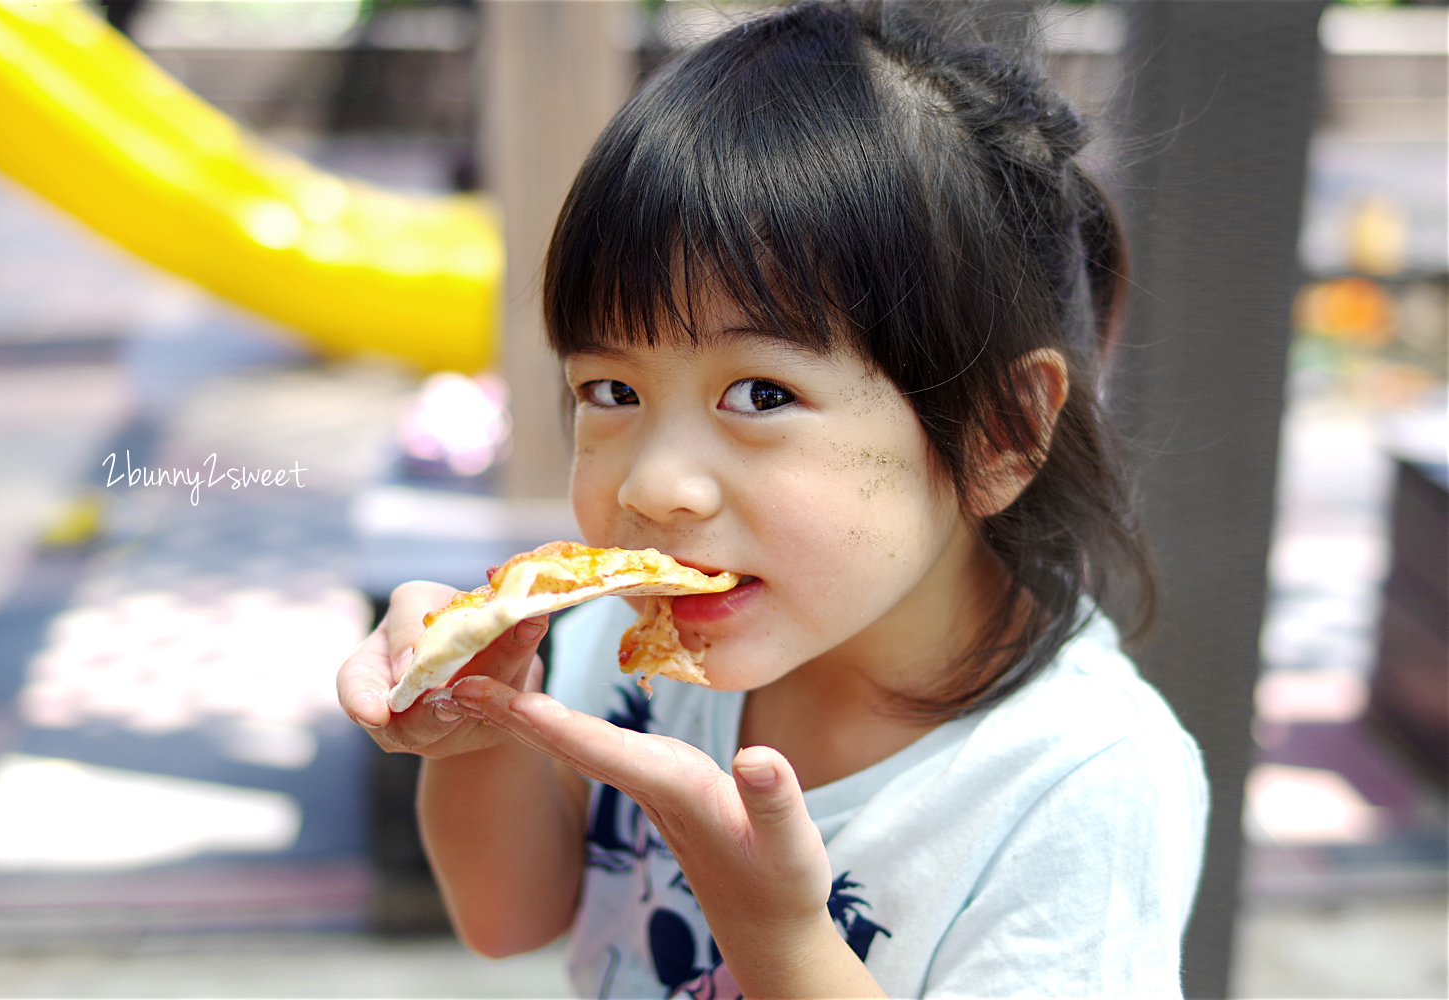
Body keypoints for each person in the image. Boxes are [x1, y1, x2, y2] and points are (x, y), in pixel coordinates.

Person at [337, 3, 1208, 996]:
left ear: (999, 429)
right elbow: (508, 918)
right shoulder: (652, 652)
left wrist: (781, 937)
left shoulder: (1077, 780)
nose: (655, 487)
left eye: (760, 394)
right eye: (611, 391)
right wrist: (487, 731)